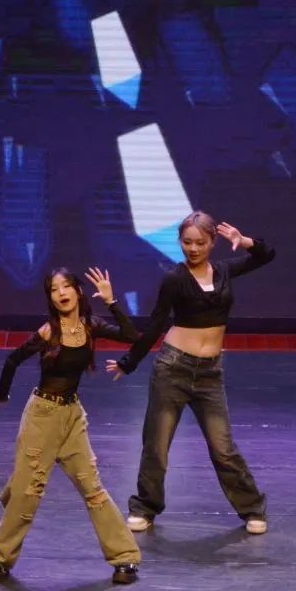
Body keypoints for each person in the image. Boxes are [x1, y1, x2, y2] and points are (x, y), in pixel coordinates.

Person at [113, 213, 272, 535]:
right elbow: (156, 323)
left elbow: (266, 255)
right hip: (173, 368)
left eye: (200, 242)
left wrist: (245, 241)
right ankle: (145, 507)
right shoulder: (174, 278)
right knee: (156, 445)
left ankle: (252, 508)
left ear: (213, 242)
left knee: (223, 448)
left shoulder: (225, 271)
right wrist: (129, 362)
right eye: (187, 242)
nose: (193, 248)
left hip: (210, 373)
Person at [0, 267, 142, 585]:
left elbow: (131, 336)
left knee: (92, 488)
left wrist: (111, 302)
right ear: (51, 298)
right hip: (42, 416)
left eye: (67, 286)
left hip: (72, 416)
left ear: (78, 291)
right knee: (28, 492)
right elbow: (13, 359)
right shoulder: (47, 332)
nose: (62, 293)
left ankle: (125, 556)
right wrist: (2, 393)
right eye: (55, 289)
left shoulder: (91, 326)